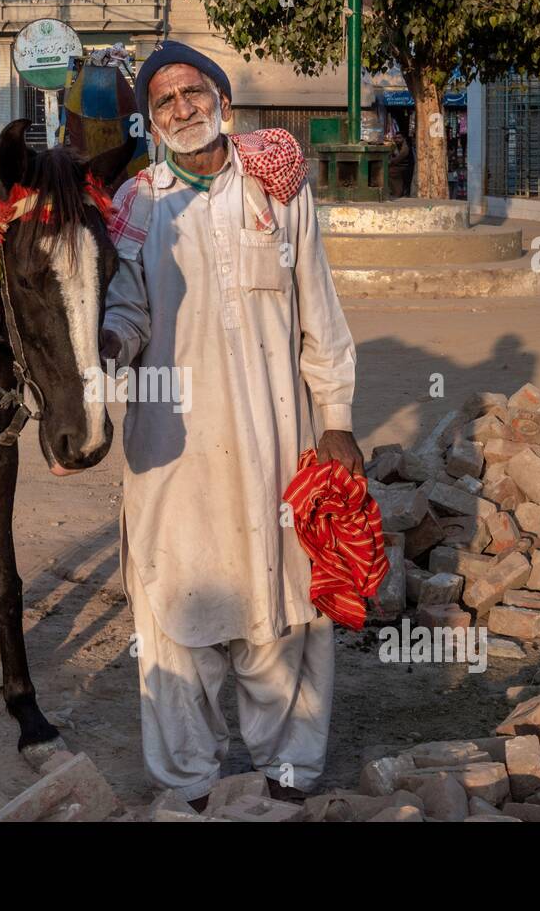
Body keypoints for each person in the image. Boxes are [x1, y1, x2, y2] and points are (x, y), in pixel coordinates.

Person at [101, 41, 360, 809]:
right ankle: (187, 789)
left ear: (222, 96)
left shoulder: (276, 189)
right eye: (165, 101)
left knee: (284, 615)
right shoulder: (136, 205)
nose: (182, 107)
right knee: (174, 612)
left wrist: (336, 419)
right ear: (151, 121)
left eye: (192, 91)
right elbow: (126, 308)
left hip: (277, 446)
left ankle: (288, 780)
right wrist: (110, 344)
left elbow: (320, 308)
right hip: (172, 452)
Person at [388, 133, 414, 198]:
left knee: (391, 172)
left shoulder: (405, 147)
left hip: (406, 167)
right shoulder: (396, 146)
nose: (397, 140)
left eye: (399, 138)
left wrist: (390, 162)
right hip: (400, 165)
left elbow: (398, 158)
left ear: (404, 139)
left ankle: (397, 193)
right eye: (396, 138)